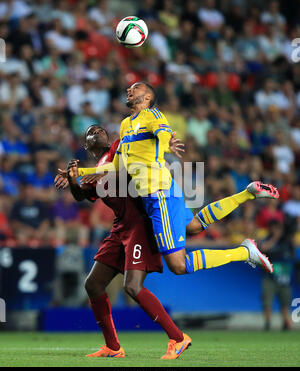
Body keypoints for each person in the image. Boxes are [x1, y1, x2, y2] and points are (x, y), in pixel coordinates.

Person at [79, 82, 279, 277]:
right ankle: (247, 193)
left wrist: (167, 144)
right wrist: (79, 172)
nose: (129, 89)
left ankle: (244, 252)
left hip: (160, 197)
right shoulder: (125, 125)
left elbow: (164, 133)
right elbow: (116, 166)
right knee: (194, 226)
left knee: (179, 265)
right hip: (162, 192)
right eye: (129, 88)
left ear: (148, 97)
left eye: (136, 87)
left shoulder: (152, 114)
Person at [55, 124, 192, 360]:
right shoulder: (92, 170)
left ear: (107, 137)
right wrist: (73, 179)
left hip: (141, 224)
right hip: (120, 228)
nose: (97, 131)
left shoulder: (119, 147)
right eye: (91, 131)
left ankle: (178, 337)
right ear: (87, 145)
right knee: (93, 285)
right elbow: (82, 196)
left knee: (132, 287)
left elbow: (144, 148)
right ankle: (113, 347)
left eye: (100, 129)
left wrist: (163, 146)